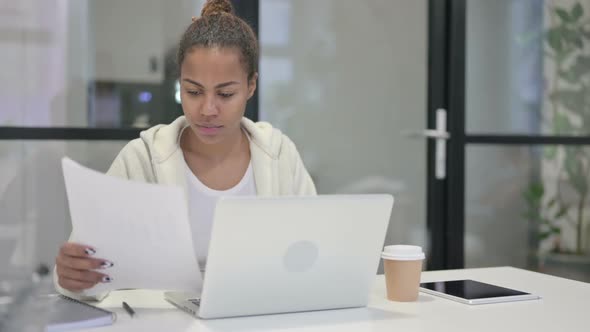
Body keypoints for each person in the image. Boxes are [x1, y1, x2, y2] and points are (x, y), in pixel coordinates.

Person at [54, 0, 316, 301]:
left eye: (226, 93)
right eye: (192, 91)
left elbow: (312, 259)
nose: (207, 109)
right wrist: (75, 276)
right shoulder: (142, 159)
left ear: (252, 85)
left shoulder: (280, 155)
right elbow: (86, 275)